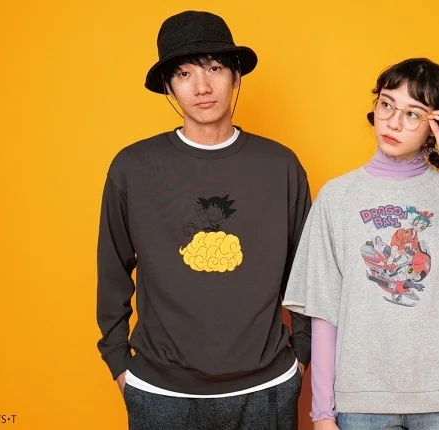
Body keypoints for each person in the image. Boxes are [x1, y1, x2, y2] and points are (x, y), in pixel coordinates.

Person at [96, 10, 311, 430]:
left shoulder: (280, 166)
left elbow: (306, 270)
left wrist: (301, 355)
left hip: (267, 387)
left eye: (214, 68)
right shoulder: (133, 167)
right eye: (184, 74)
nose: (202, 87)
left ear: (236, 75)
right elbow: (112, 269)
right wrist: (119, 361)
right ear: (168, 87)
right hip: (160, 391)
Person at [283, 58, 439, 430]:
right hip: (364, 399)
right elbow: (324, 310)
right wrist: (322, 413)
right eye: (387, 105)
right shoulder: (337, 197)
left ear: (435, 127)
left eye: (413, 114)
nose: (393, 122)